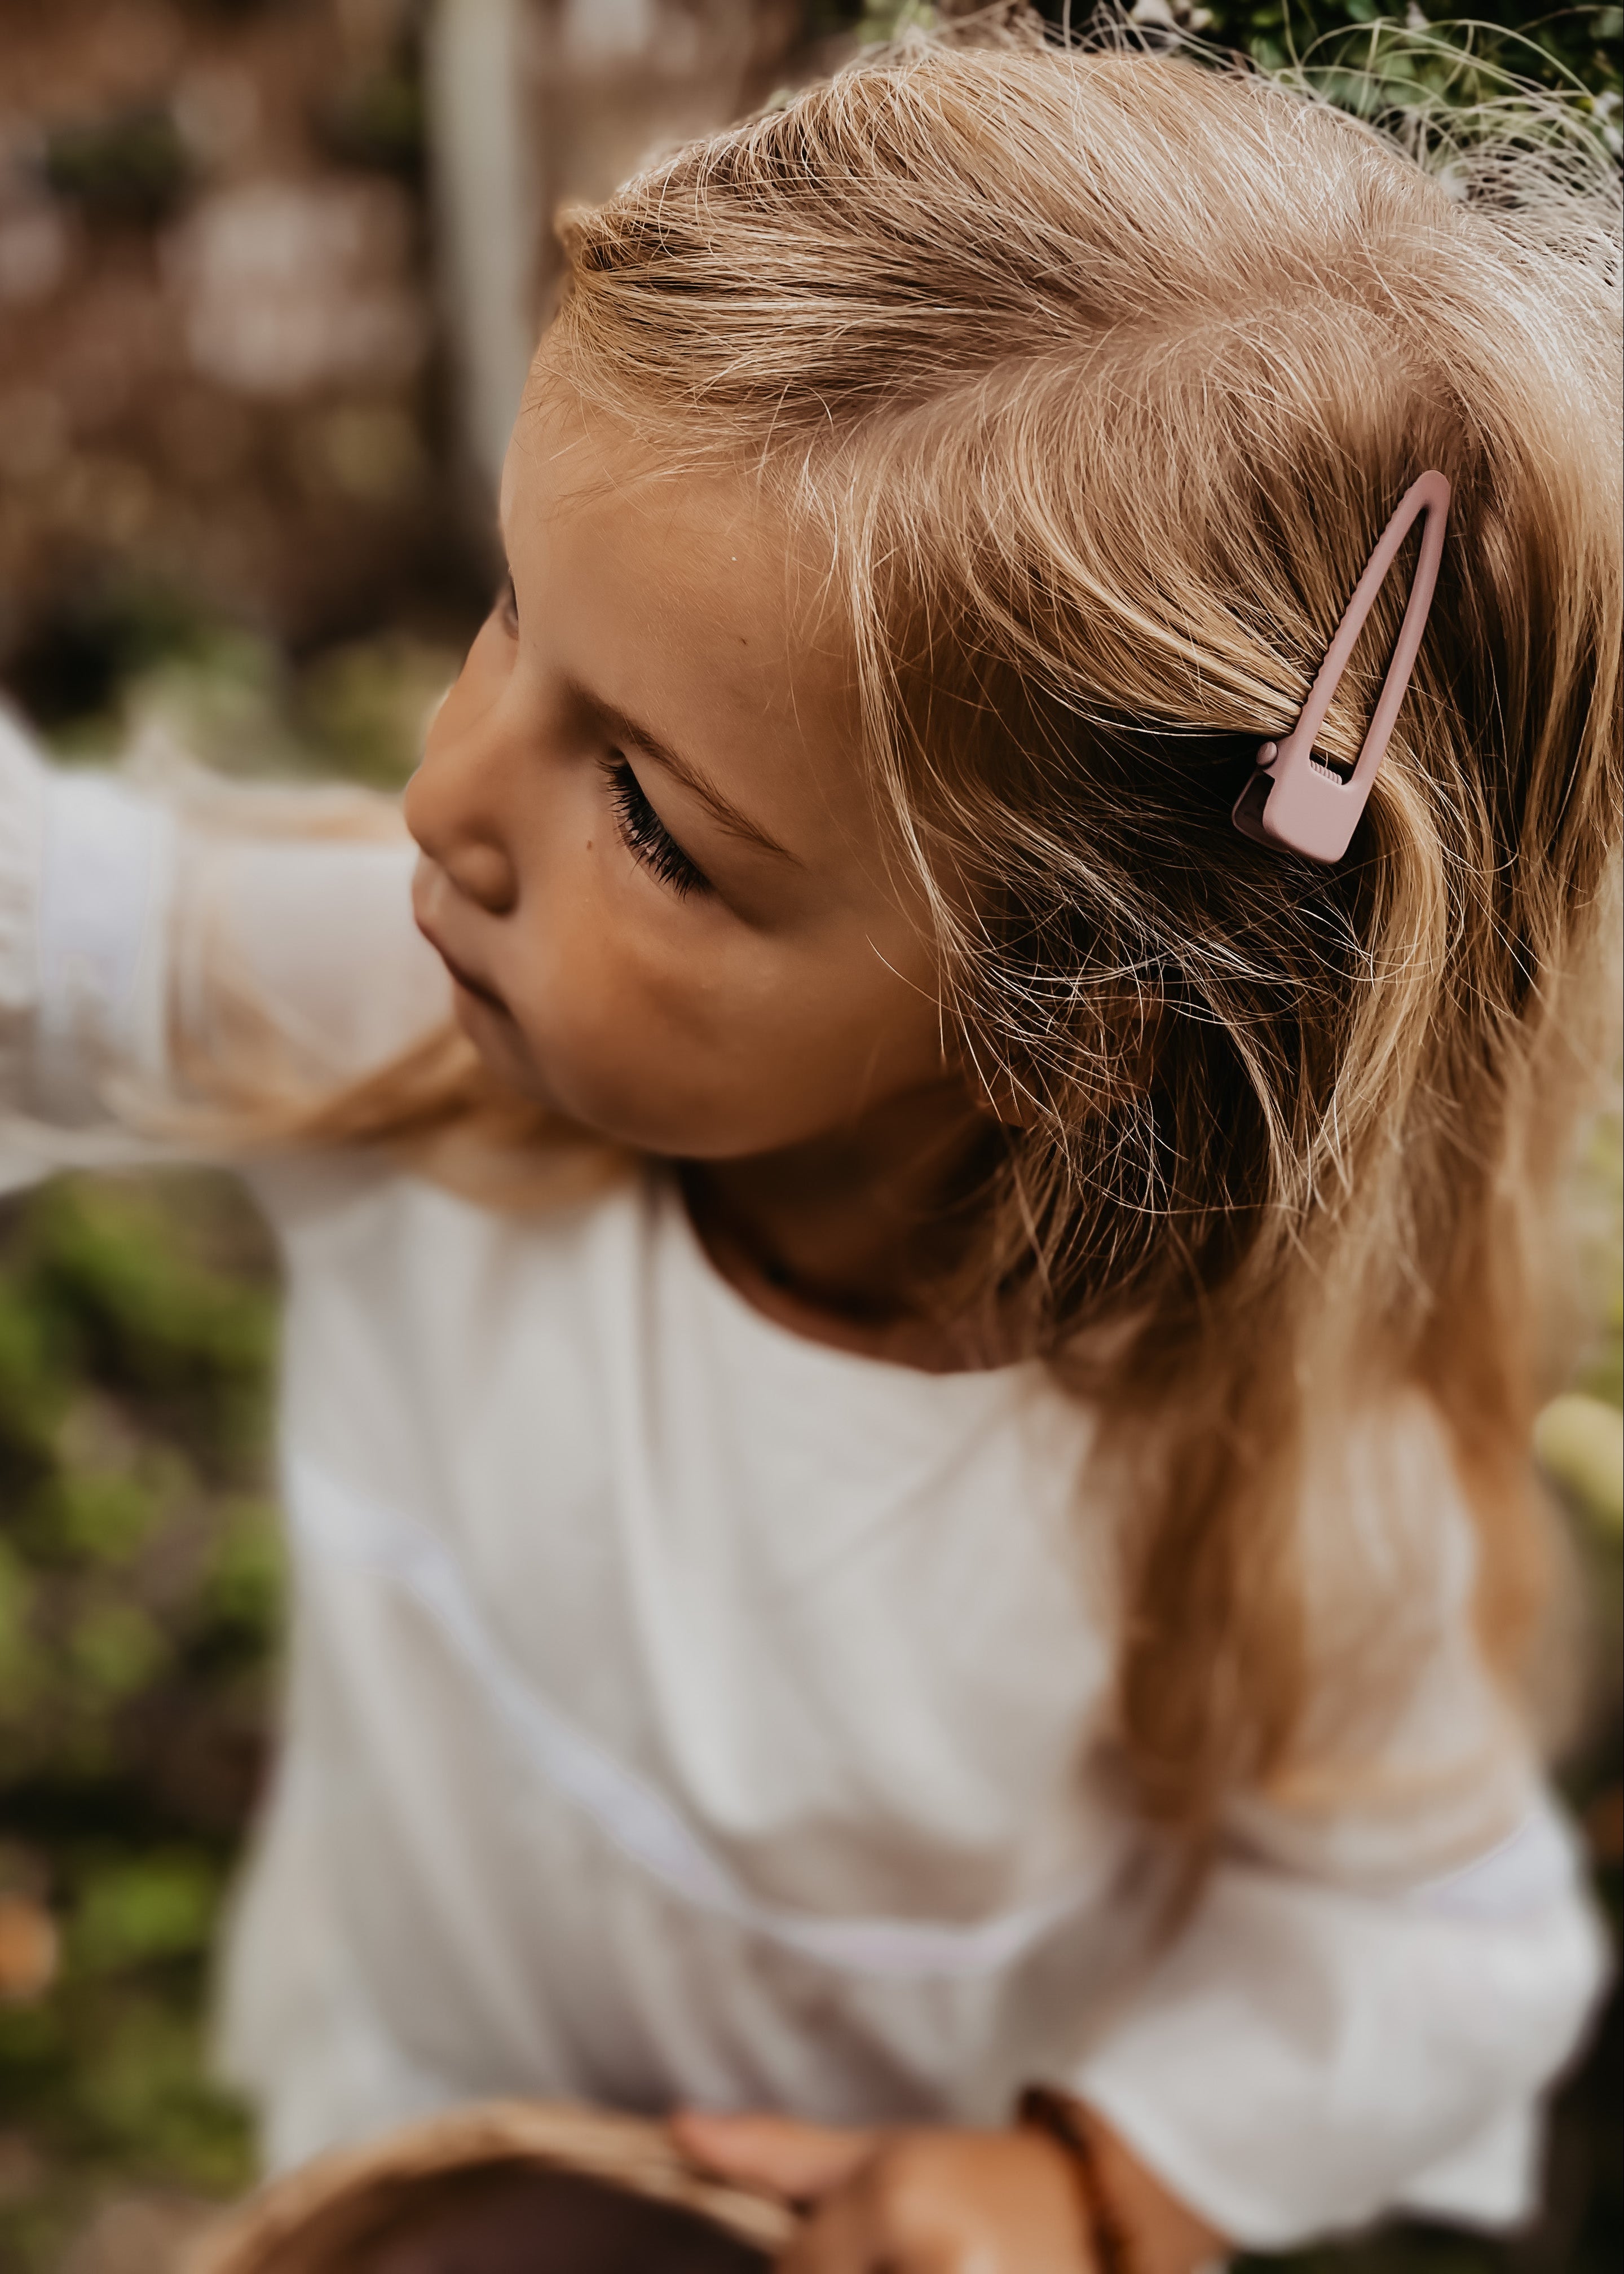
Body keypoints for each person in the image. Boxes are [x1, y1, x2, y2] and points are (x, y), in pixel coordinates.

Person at [1, 27, 1618, 2273]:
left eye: (654, 820)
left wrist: (1087, 2179)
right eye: (508, 609)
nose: (446, 796)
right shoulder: (414, 1027)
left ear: (1072, 1019)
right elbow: (54, 926)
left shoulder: (1258, 1502)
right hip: (418, 2124)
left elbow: (1438, 1953)